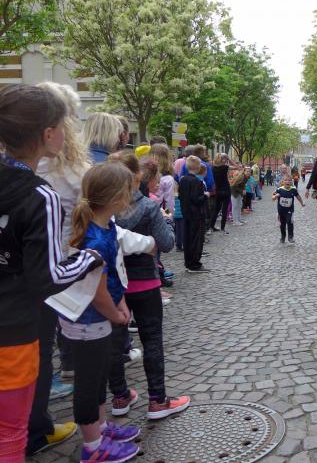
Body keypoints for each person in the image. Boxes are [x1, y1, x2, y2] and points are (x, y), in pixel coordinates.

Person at [0, 85, 104, 460]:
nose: (67, 131)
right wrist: (88, 258)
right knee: (11, 432)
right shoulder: (39, 195)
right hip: (14, 327)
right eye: (63, 125)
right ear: (48, 134)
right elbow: (46, 278)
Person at [66, 161, 142, 462]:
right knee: (89, 383)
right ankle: (93, 447)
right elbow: (97, 293)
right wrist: (115, 312)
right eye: (128, 191)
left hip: (99, 318)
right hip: (88, 321)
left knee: (99, 378)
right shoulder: (95, 238)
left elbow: (109, 277)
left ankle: (99, 428)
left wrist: (120, 302)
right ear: (116, 197)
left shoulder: (106, 227)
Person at [109, 155, 191, 420]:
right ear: (137, 177)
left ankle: (120, 396)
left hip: (113, 285)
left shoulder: (104, 207)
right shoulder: (148, 207)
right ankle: (157, 400)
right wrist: (167, 221)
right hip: (144, 282)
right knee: (152, 340)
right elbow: (166, 243)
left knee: (114, 343)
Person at [178, 156, 209, 273]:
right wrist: (205, 195)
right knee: (196, 240)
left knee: (188, 239)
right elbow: (197, 199)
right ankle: (195, 264)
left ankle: (188, 262)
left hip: (186, 213)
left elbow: (181, 196)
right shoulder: (196, 181)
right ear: (198, 167)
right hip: (196, 214)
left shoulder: (183, 180)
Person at [273, 176, 305, 243]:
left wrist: (302, 203)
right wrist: (275, 196)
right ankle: (283, 236)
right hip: (281, 210)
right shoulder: (279, 189)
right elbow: (273, 196)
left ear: (291, 182)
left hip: (290, 210)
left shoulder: (293, 189)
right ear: (283, 182)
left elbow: (298, 196)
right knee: (282, 224)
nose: (287, 181)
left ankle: (290, 237)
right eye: (286, 180)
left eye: (289, 180)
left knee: (290, 222)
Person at [211, 154, 232, 234]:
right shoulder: (225, 167)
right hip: (226, 190)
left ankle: (211, 226)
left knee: (216, 210)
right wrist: (229, 159)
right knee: (224, 210)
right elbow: (237, 167)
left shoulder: (213, 168)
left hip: (218, 191)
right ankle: (222, 228)